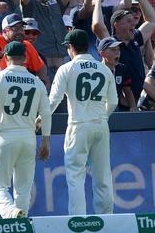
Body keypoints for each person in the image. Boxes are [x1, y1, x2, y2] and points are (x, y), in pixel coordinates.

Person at [48, 29, 117, 215]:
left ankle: (78, 221)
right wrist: (102, 116)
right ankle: (106, 220)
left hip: (78, 125)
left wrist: (41, 118)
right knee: (103, 177)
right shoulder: (104, 68)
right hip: (101, 125)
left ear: (71, 48)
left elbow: (54, 100)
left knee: (75, 176)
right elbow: (114, 102)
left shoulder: (67, 68)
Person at [0, 41, 52, 219]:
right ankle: (21, 220)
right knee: (23, 188)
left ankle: (10, 213)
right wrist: (45, 140)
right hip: (28, 138)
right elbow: (46, 114)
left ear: (5, 57)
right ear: (25, 58)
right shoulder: (37, 83)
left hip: (5, 136)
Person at [98, 36, 137, 111]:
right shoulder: (97, 70)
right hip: (99, 107)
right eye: (113, 50)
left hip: (115, 106)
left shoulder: (123, 69)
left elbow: (127, 91)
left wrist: (133, 106)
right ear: (102, 53)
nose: (117, 52)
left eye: (118, 49)